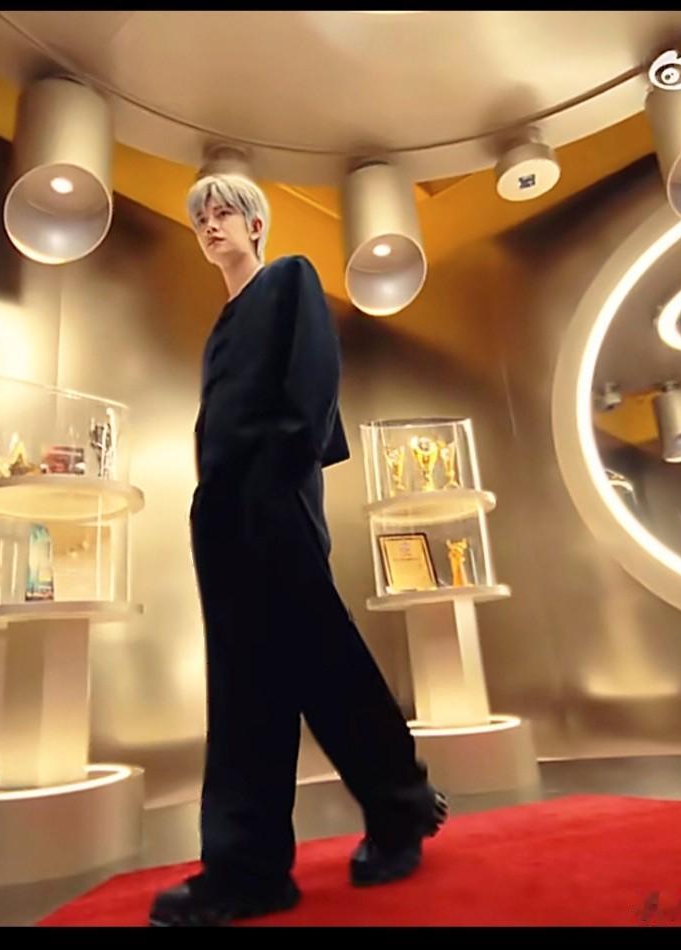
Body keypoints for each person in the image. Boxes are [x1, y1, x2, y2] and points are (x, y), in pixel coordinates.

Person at [148, 174, 447, 927]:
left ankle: (395, 806)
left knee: (322, 662)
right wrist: (214, 501)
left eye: (224, 212)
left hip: (273, 497)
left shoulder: (288, 278)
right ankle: (252, 869)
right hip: (222, 510)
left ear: (255, 224)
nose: (210, 224)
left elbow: (313, 379)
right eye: (201, 217)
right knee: (246, 685)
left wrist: (279, 475)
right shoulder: (221, 324)